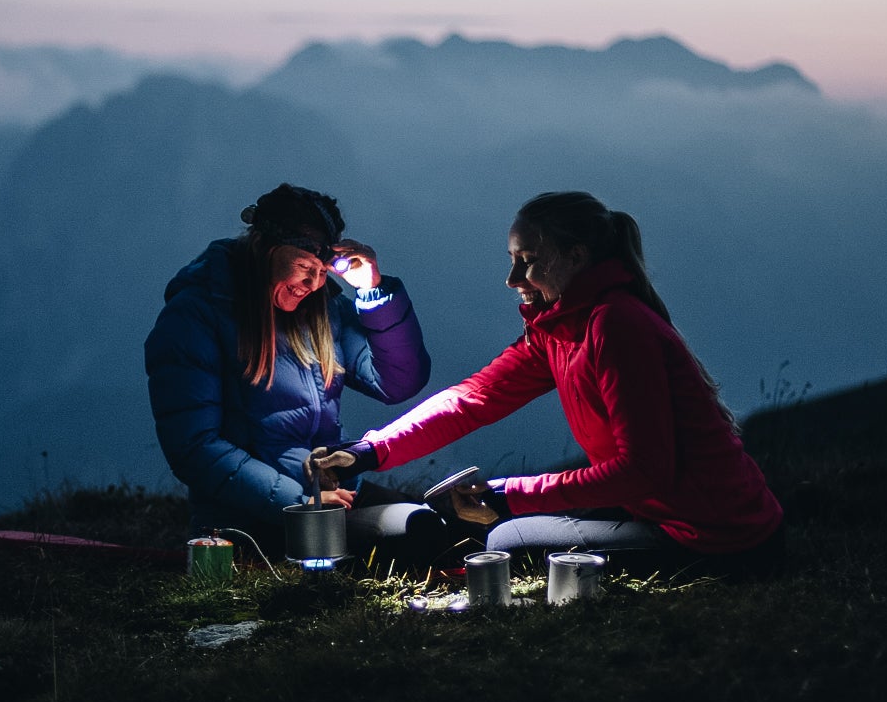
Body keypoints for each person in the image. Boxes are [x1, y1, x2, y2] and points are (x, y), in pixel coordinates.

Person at [314, 190, 785, 580]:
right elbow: (472, 401)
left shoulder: (615, 327)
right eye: (513, 260)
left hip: (714, 539)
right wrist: (370, 451)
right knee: (500, 531)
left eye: (530, 261)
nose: (512, 278)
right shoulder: (562, 329)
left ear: (575, 258)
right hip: (664, 513)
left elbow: (644, 470)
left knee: (504, 541)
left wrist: (509, 494)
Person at [145, 183, 435, 562]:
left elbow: (399, 381)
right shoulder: (196, 316)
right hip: (250, 520)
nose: (315, 285)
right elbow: (194, 447)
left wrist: (375, 294)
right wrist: (299, 501)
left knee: (437, 528)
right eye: (304, 268)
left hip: (334, 497)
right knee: (417, 538)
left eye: (321, 271)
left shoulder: (323, 311)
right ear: (267, 248)